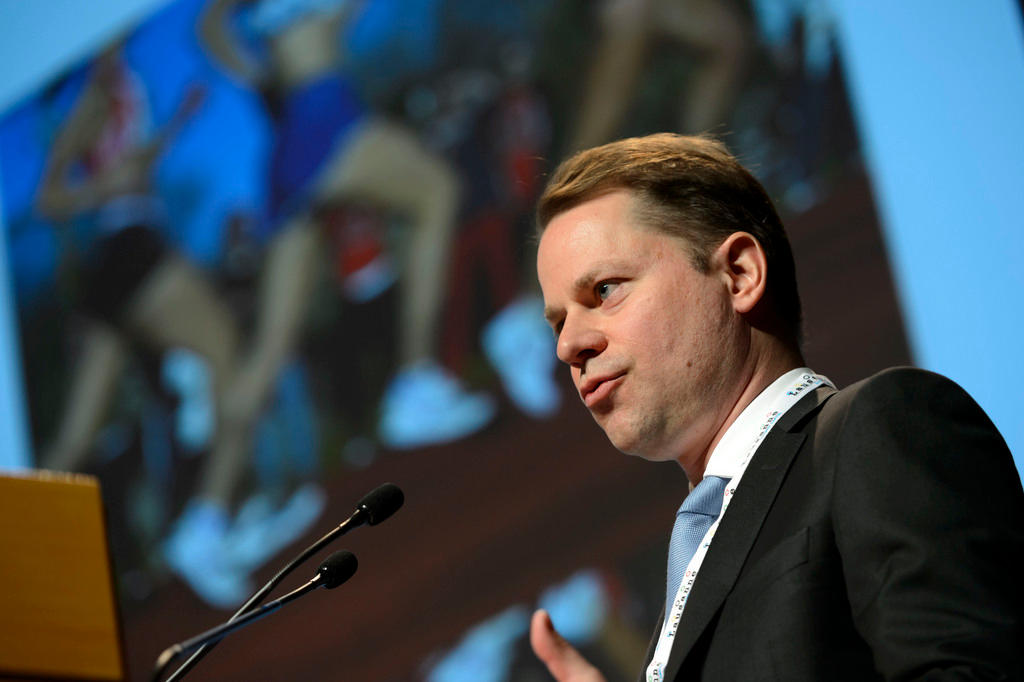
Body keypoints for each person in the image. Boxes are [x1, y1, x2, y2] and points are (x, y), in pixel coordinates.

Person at [529, 133, 1024, 681]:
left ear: (739, 275)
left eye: (604, 291)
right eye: (558, 322)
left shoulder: (883, 427)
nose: (567, 346)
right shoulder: (693, 557)